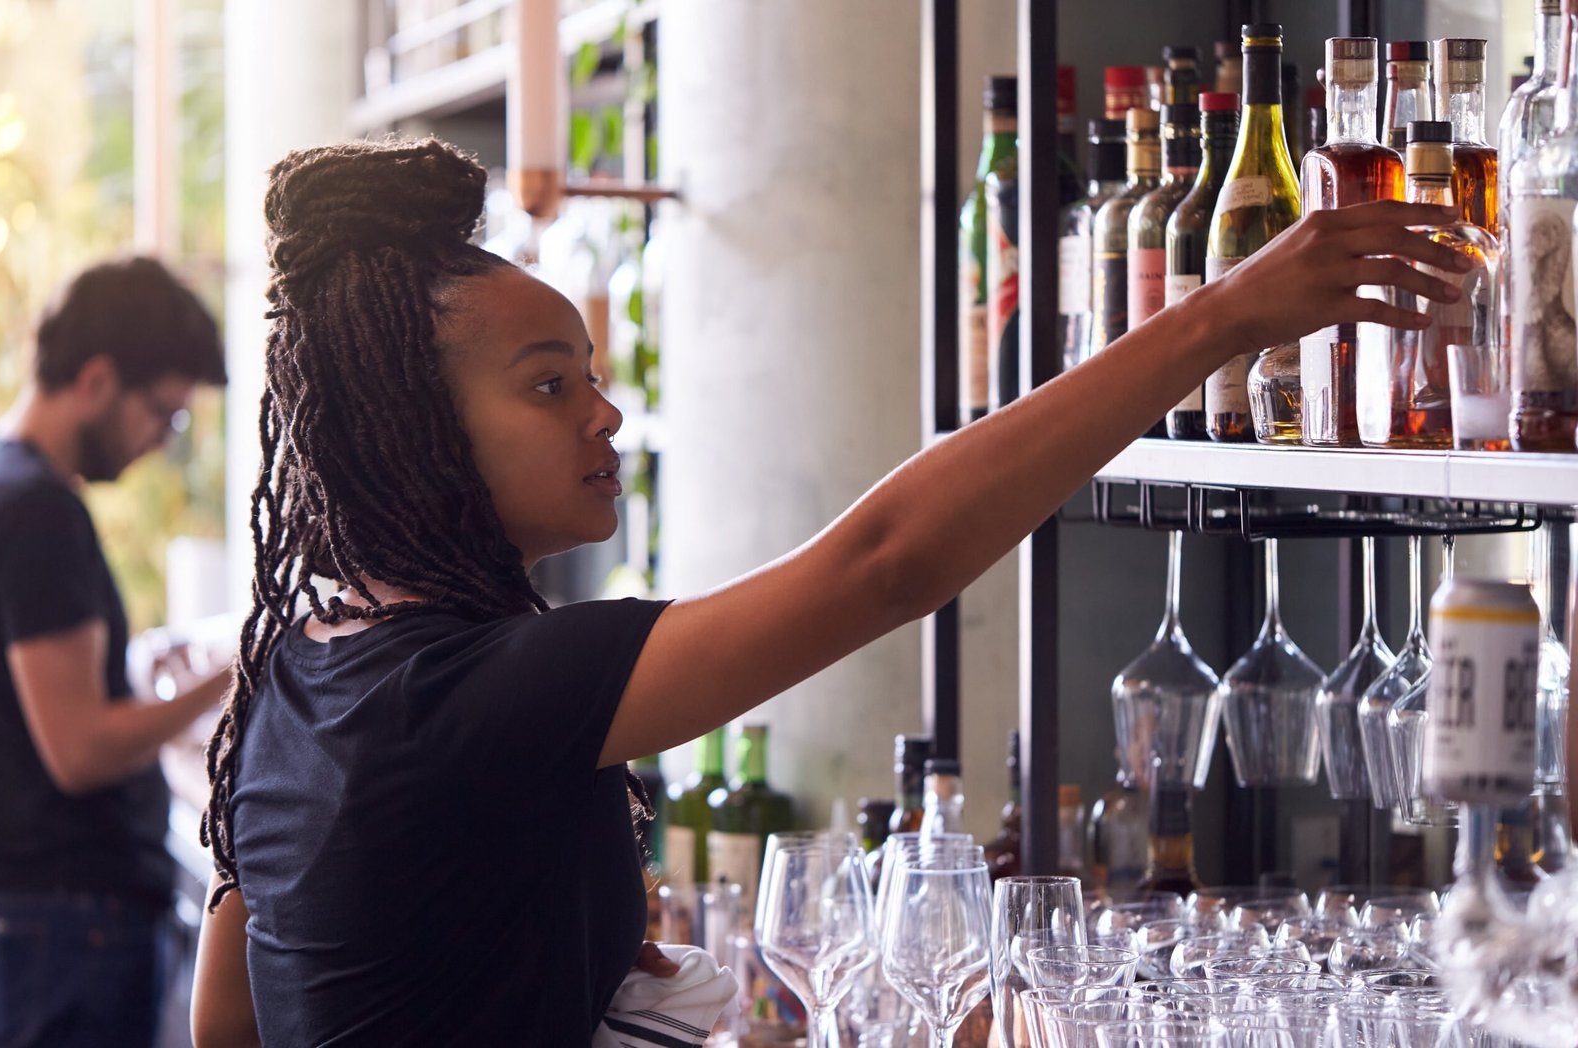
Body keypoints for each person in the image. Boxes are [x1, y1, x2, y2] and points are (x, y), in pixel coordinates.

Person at [190, 138, 1470, 1047]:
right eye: (546, 385)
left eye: (588, 372)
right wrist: (1215, 321)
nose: (605, 411)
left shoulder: (305, 671)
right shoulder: (477, 688)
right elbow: (887, 564)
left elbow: (230, 1013)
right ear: (408, 427)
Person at [0, 256, 234, 1048]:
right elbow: (79, 751)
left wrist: (145, 689)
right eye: (165, 414)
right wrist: (238, 667)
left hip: (32, 922)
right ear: (96, 380)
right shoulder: (38, 512)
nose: (162, 441)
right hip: (67, 927)